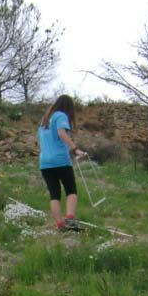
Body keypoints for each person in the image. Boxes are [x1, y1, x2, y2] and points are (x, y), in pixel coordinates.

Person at [38, 94, 86, 231]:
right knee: (71, 191)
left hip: (45, 163)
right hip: (61, 161)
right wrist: (75, 149)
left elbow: (40, 142)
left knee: (54, 195)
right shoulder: (61, 116)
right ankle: (70, 220)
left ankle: (60, 225)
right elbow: (61, 133)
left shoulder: (44, 120)